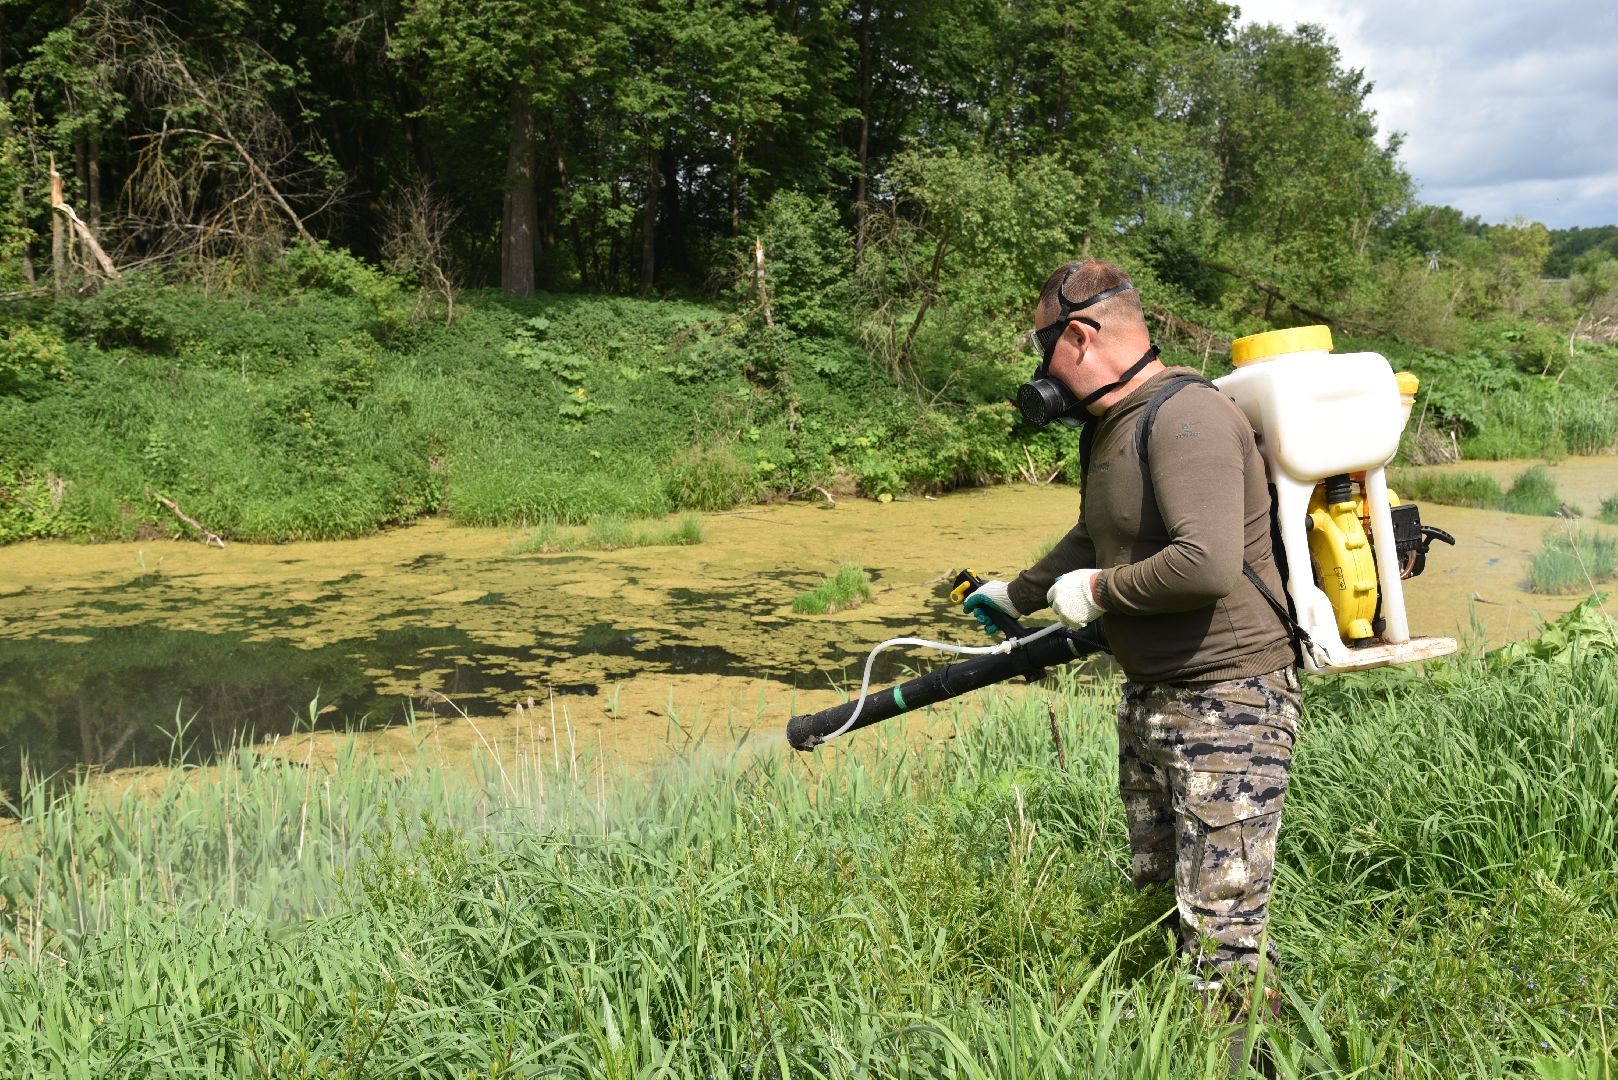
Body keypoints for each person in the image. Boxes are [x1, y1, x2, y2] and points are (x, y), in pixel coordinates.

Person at [966, 259, 1302, 1008]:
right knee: (1163, 901)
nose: (1037, 365)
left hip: (1229, 701)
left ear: (1079, 335)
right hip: (1153, 697)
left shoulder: (1188, 417)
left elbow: (1205, 564)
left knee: (1223, 932)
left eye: (1040, 344)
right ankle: (1171, 1042)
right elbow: (1097, 535)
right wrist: (1017, 594)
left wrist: (1097, 593)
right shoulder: (1113, 426)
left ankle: (1255, 1059)